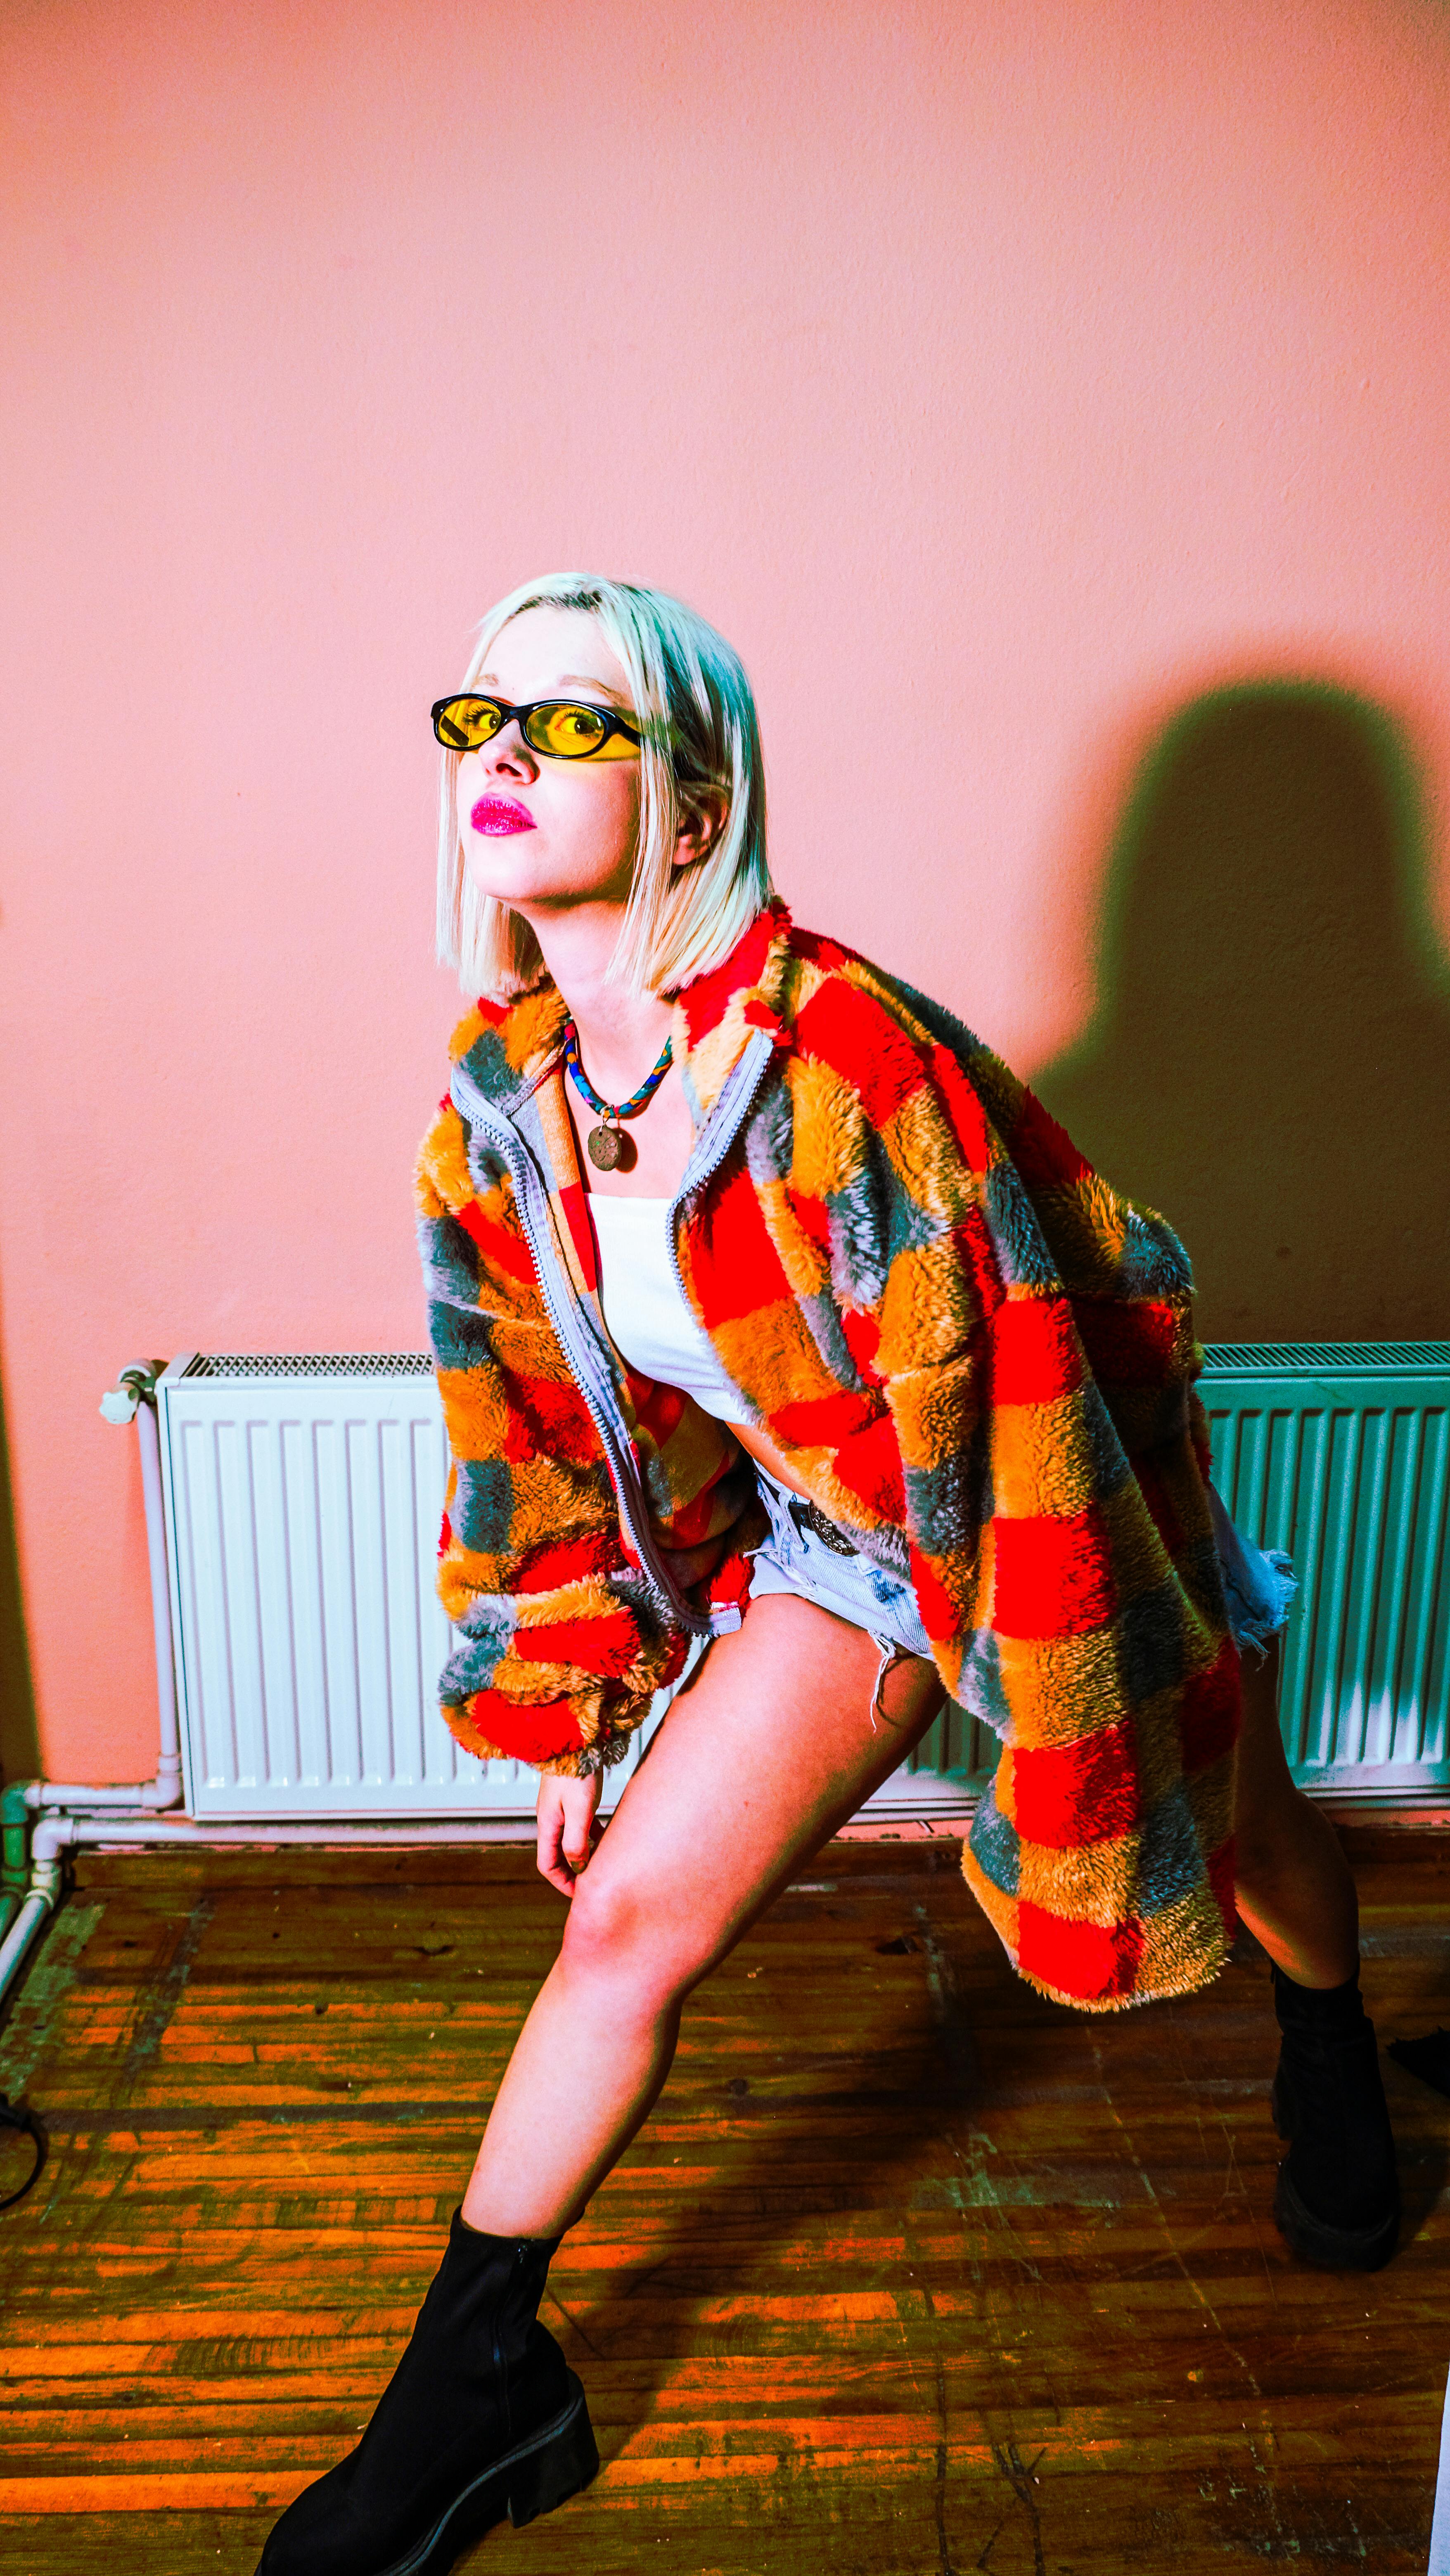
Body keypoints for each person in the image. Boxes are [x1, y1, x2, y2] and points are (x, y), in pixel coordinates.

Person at [259, 576, 1400, 2576]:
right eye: (481, 720)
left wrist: (1081, 1712)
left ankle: (1330, 2054)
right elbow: (526, 1424)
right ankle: (472, 2397)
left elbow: (1032, 1404)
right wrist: (579, 1702)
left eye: (576, 725)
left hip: (1056, 1510)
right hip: (843, 1539)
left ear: (691, 808)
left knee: (1230, 1832)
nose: (505, 756)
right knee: (622, 1925)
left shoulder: (841, 1063)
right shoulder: (499, 1099)